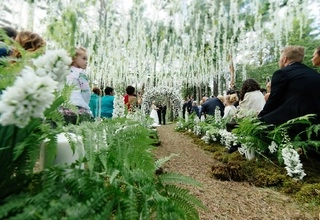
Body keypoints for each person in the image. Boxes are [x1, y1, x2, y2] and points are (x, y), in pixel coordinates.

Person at [259, 45, 320, 126]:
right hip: (316, 120)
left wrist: (259, 118)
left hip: (295, 122)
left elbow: (273, 100)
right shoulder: (315, 73)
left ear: (284, 59)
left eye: (279, 59)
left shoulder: (282, 73)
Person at [66, 47, 91, 116]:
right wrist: (85, 104)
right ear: (74, 58)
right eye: (84, 58)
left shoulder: (64, 72)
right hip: (78, 107)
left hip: (64, 106)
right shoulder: (80, 73)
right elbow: (86, 91)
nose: (86, 62)